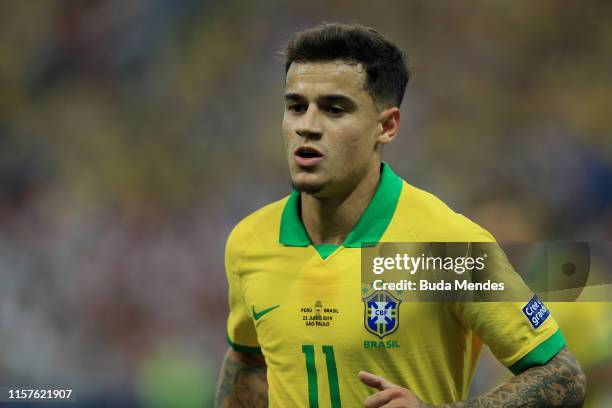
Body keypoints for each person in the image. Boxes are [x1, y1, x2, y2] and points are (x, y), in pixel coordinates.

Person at [215, 23, 586, 407]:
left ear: (387, 126)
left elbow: (563, 375)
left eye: (334, 109)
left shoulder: (444, 246)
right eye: (296, 107)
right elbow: (247, 358)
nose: (307, 126)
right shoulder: (249, 242)